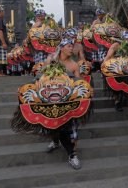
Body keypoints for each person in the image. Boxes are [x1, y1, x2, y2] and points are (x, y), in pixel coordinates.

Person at [44, 39, 81, 169]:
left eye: (73, 47)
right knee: (54, 126)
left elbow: (78, 83)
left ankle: (72, 154)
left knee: (70, 130)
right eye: (69, 46)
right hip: (52, 99)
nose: (72, 49)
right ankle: (55, 142)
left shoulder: (74, 65)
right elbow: (41, 77)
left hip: (69, 100)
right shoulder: (51, 60)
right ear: (62, 48)